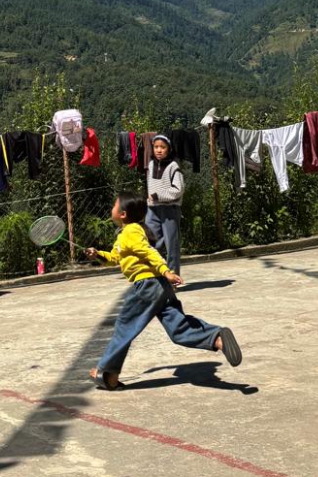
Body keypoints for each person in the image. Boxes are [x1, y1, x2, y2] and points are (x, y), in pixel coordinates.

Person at [85, 195, 241, 390]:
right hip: (160, 287)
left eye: (114, 205)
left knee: (124, 327)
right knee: (179, 329)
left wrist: (166, 271)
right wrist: (98, 255)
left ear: (123, 214)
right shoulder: (126, 234)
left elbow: (148, 251)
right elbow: (115, 258)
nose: (111, 208)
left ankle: (108, 374)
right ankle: (217, 338)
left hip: (147, 286)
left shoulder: (131, 231)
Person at [145, 133, 184, 274]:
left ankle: (173, 276)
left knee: (171, 243)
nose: (159, 150)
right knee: (152, 241)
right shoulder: (151, 164)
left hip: (169, 209)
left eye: (163, 147)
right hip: (152, 209)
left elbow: (178, 190)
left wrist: (158, 196)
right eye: (156, 147)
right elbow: (150, 184)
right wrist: (150, 198)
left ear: (169, 149)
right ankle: (158, 274)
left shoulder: (173, 166)